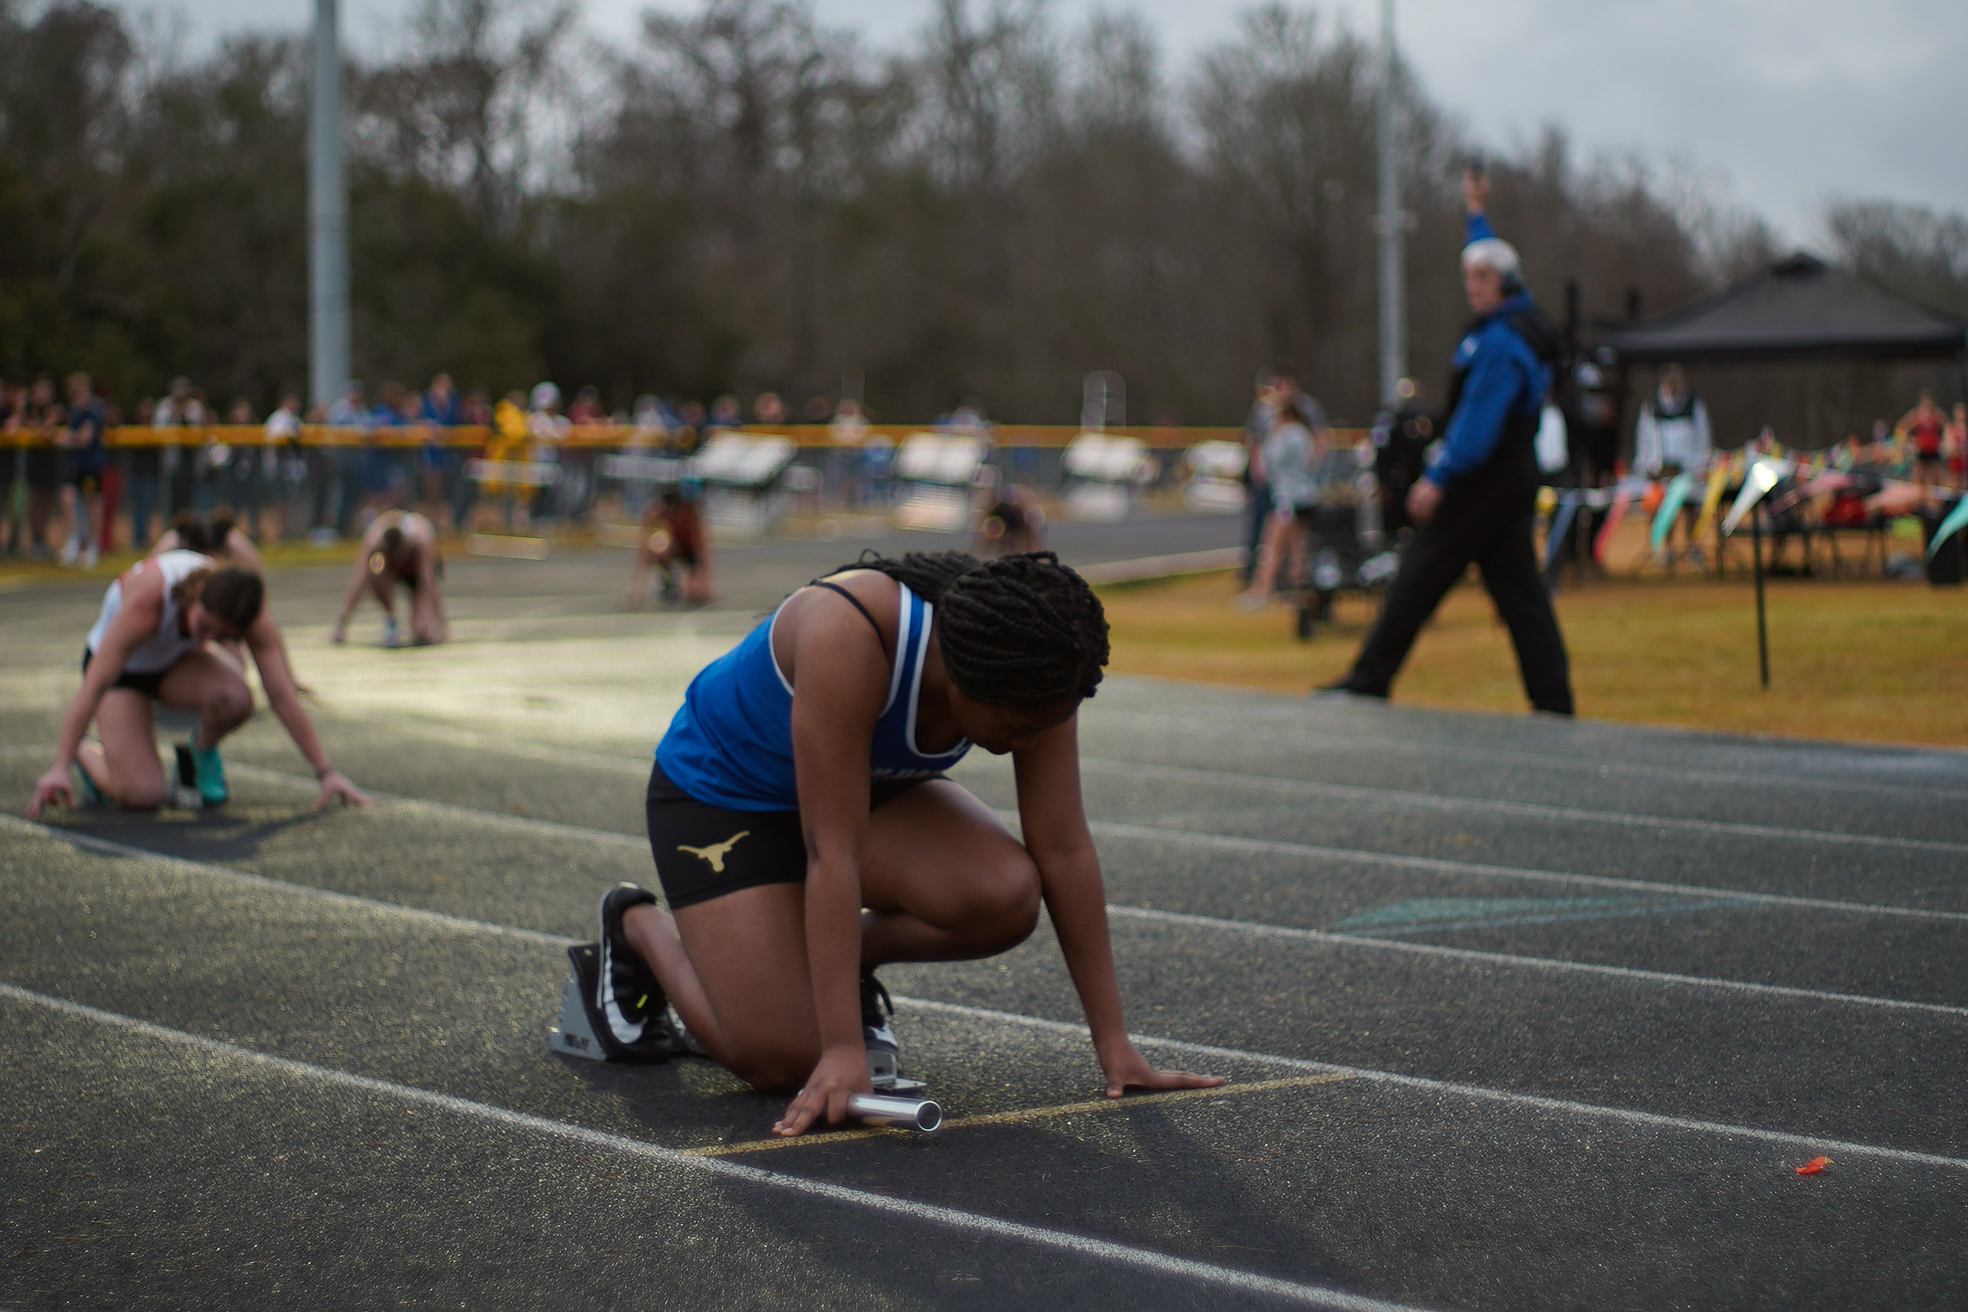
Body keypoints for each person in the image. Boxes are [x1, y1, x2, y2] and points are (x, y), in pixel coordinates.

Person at [583, 551, 1223, 1135]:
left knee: (1004, 894)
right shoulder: (851, 634)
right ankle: (638, 926)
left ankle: (798, 966)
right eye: (1020, 727)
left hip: (859, 792)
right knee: (782, 1059)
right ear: (966, 676)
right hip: (724, 798)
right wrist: (840, 1050)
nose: (1031, 742)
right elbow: (834, 853)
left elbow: (1062, 848)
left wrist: (1113, 1044)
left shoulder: (1043, 664)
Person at [1321, 166, 1574, 716]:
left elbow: (1477, 427)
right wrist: (1475, 214)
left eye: (1481, 279)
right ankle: (1554, 701)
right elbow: (1486, 254)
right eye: (1469, 278)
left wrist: (1437, 477)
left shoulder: (1501, 345)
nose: (1472, 286)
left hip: (1481, 481)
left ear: (1505, 283)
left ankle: (1370, 676)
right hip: (1507, 483)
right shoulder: (1511, 320)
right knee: (1521, 595)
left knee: (1419, 575)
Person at [27, 550, 370, 817]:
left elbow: (280, 694)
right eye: (205, 625)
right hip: (121, 674)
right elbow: (95, 683)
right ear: (198, 592)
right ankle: (88, 753)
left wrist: (326, 771)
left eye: (220, 636)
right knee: (144, 796)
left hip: (172, 665)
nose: (207, 637)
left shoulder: (248, 608)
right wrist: (59, 765)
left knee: (236, 698)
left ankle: (200, 750)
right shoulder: (148, 599)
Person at [330, 509, 447, 646]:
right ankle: (392, 617)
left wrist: (441, 623)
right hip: (389, 571)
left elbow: (429, 582)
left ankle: (418, 621)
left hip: (415, 576)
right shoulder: (374, 542)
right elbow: (360, 581)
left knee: (421, 631)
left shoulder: (420, 538)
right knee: (374, 573)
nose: (399, 558)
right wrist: (342, 624)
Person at [1633, 364, 1713, 560]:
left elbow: (1704, 438)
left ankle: (1693, 547)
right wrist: (1646, 464)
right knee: (1661, 508)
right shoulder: (1651, 406)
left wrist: (1701, 465)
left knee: (1692, 508)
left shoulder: (1694, 405)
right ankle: (1664, 549)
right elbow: (1643, 438)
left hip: (1688, 470)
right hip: (1661, 469)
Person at [624, 486, 715, 608]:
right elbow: (644, 547)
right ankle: (668, 583)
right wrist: (637, 586)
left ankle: (690, 583)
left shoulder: (692, 513)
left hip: (689, 551)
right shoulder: (657, 512)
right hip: (671, 549)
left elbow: (702, 548)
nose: (675, 512)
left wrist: (708, 584)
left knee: (695, 593)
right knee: (659, 544)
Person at [60, 373, 108, 569]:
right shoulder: (73, 410)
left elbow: (84, 438)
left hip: (91, 465)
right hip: (76, 464)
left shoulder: (93, 410)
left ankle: (92, 546)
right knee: (68, 498)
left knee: (92, 503)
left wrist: (65, 438)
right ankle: (74, 541)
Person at [1897, 391, 1949, 488]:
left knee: (1936, 477)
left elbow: (1948, 426)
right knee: (1919, 475)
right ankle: (1916, 496)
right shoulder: (1917, 414)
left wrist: (1945, 440)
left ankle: (1935, 500)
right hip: (1922, 449)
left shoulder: (1937, 414)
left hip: (1933, 449)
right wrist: (1910, 441)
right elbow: (1902, 426)